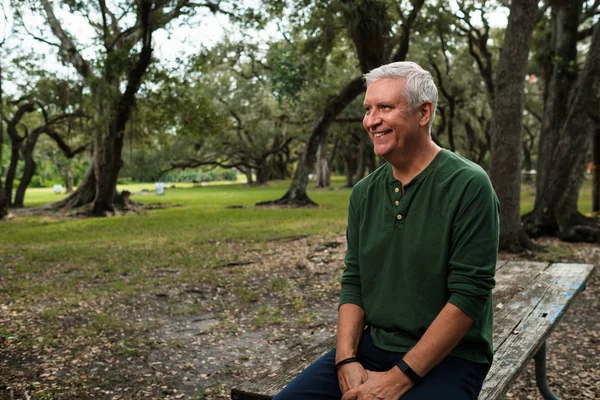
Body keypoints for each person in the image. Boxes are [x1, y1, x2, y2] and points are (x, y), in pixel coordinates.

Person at [274, 61, 499, 400]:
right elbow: (355, 281)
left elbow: (469, 296)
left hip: (452, 358)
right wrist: (345, 359)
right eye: (367, 109)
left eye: (385, 108)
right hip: (373, 346)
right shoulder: (364, 193)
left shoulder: (468, 185)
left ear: (424, 113)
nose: (371, 120)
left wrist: (398, 379)